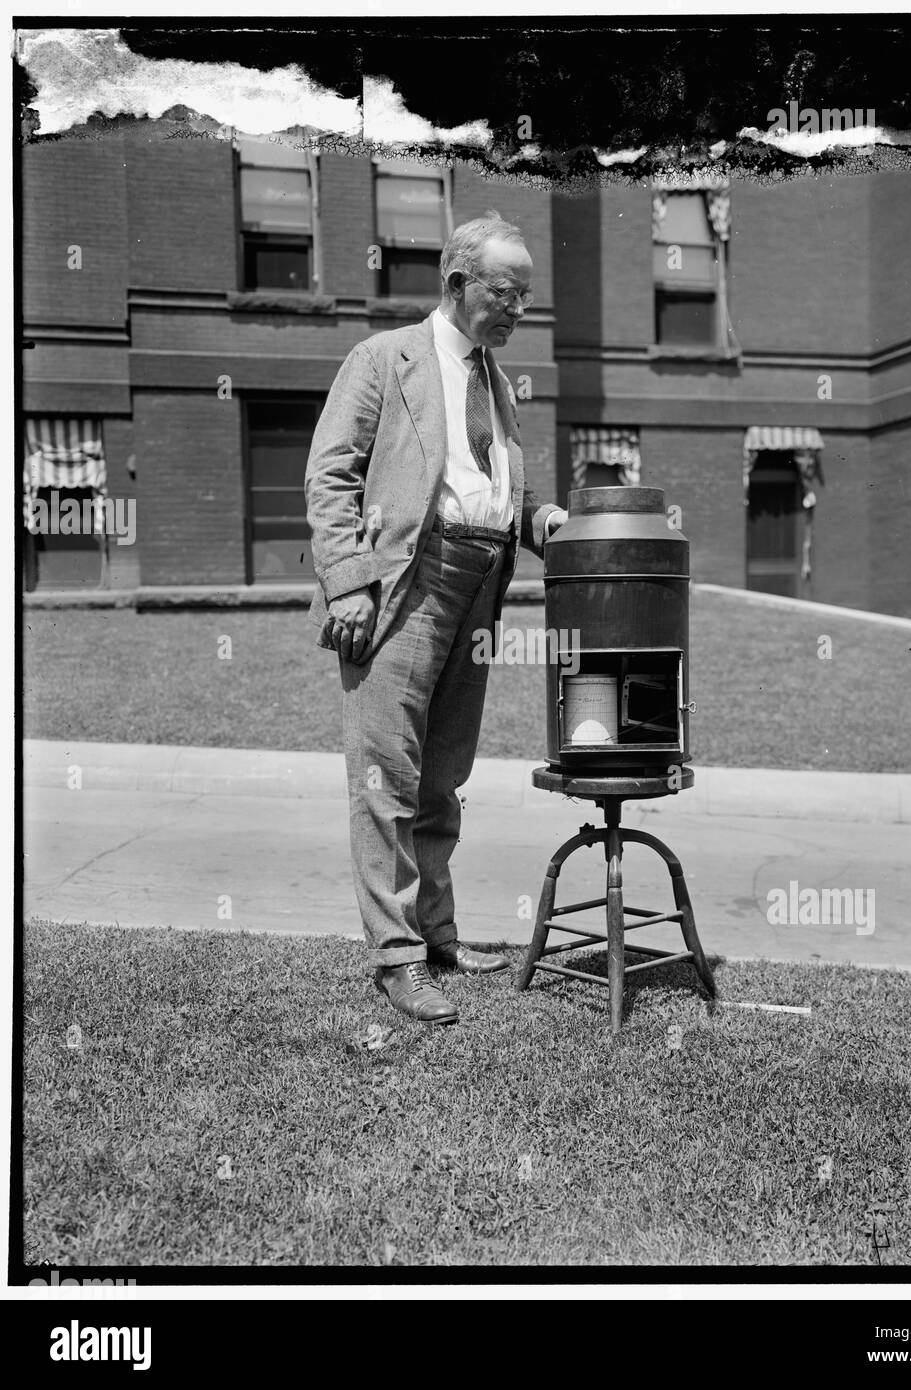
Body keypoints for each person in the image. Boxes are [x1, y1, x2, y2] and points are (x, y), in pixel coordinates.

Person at [305, 211, 567, 1026]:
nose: (519, 308)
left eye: (526, 294)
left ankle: (438, 933)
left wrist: (540, 520)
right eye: (506, 291)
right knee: (387, 774)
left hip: (483, 585)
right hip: (407, 583)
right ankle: (396, 959)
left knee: (442, 778)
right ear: (458, 284)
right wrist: (348, 584)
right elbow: (330, 475)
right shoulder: (385, 358)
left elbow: (500, 490)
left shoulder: (495, 381)